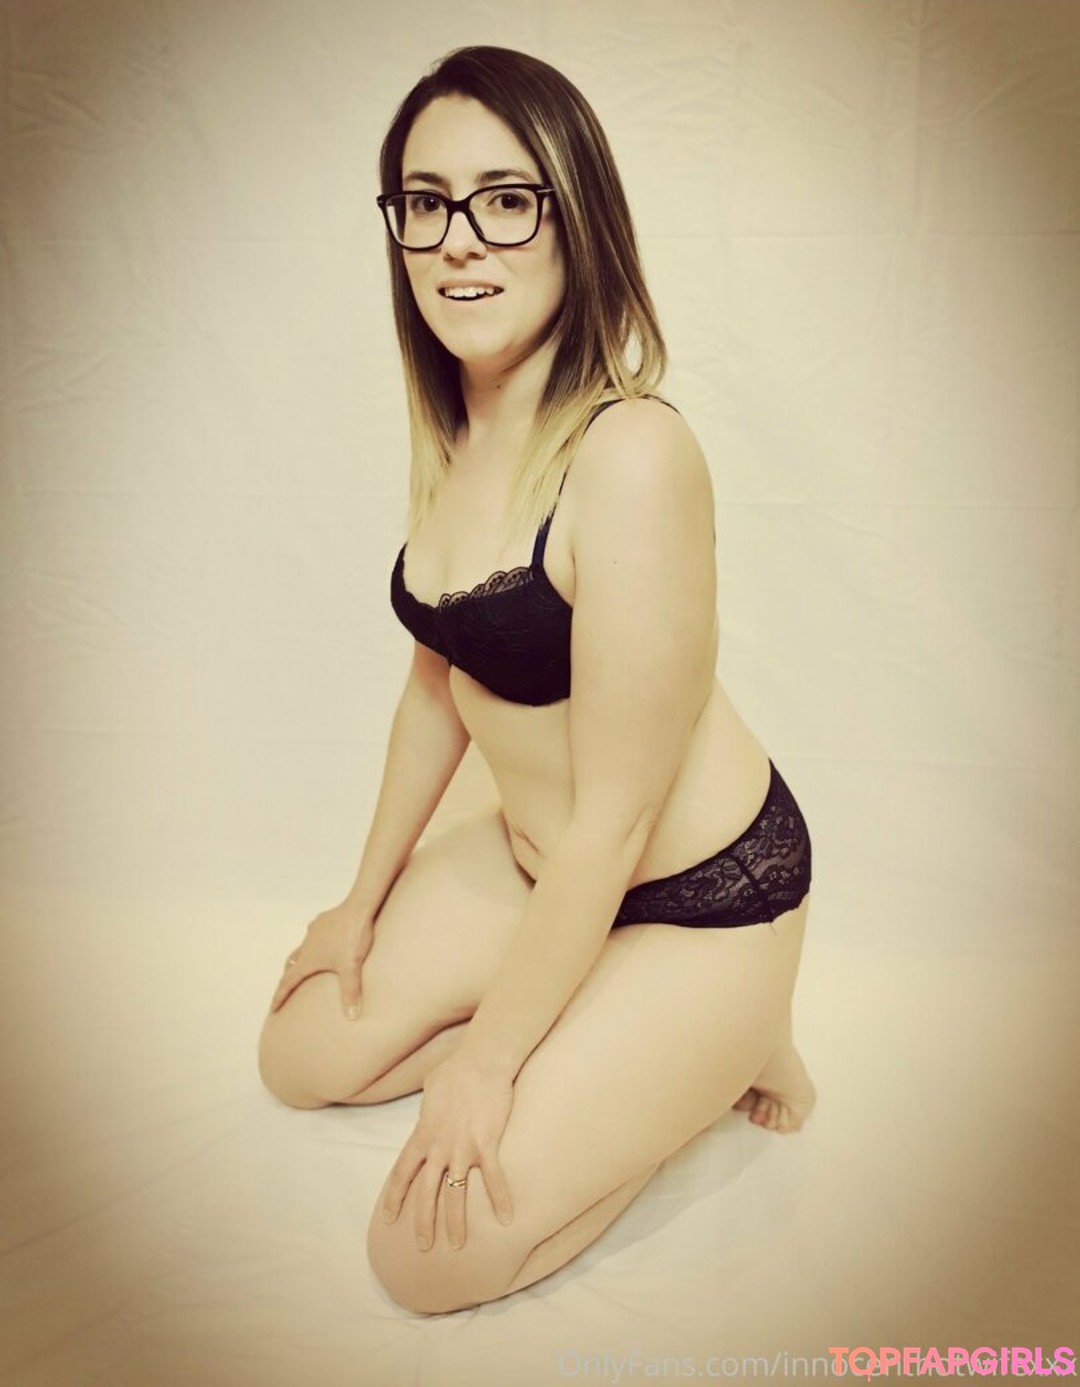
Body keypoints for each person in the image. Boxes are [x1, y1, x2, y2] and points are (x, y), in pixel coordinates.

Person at [257, 44, 816, 1316]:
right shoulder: (457, 426)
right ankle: (602, 1027)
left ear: (579, 220)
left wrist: (488, 1066)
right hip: (535, 869)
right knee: (298, 1051)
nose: (460, 239)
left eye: (507, 200)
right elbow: (434, 693)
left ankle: (734, 1035)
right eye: (426, 202)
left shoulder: (632, 456)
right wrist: (357, 903)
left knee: (425, 1257)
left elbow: (618, 819)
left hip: (689, 904)